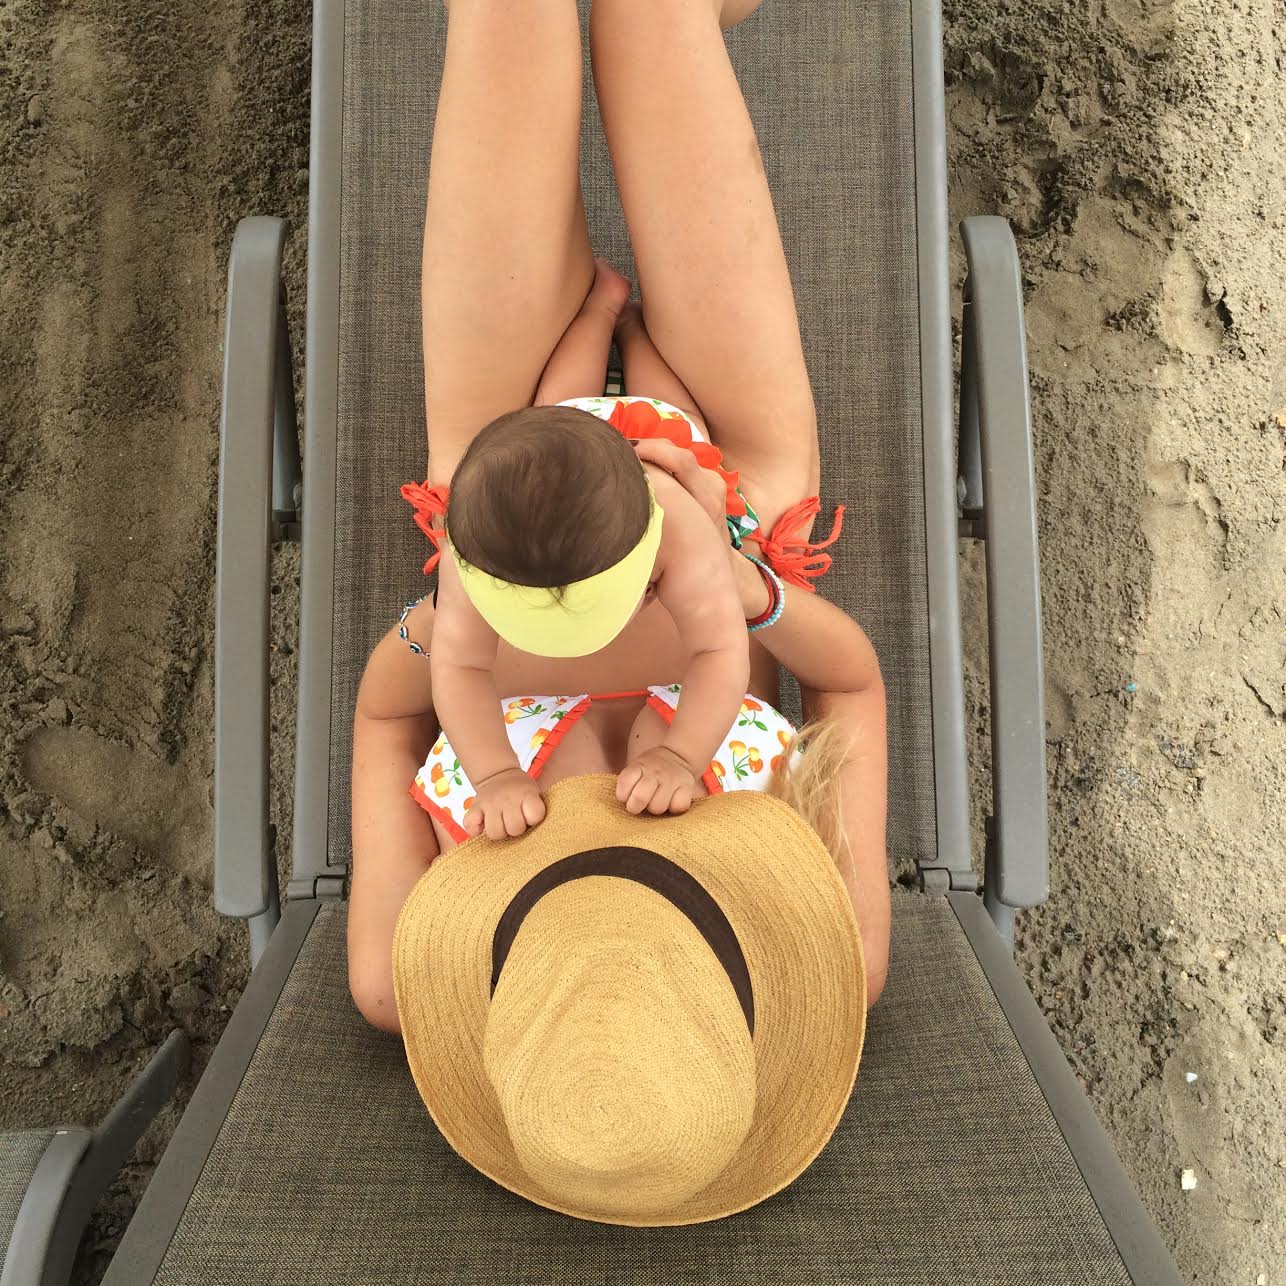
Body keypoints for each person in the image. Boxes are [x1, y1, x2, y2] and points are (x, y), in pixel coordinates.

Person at [349, 0, 891, 1034]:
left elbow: (384, 719)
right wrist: (751, 588)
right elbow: (852, 685)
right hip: (734, 508)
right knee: (654, 12)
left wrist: (447, 608)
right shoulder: (825, 966)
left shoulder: (410, 979)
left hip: (508, 516)